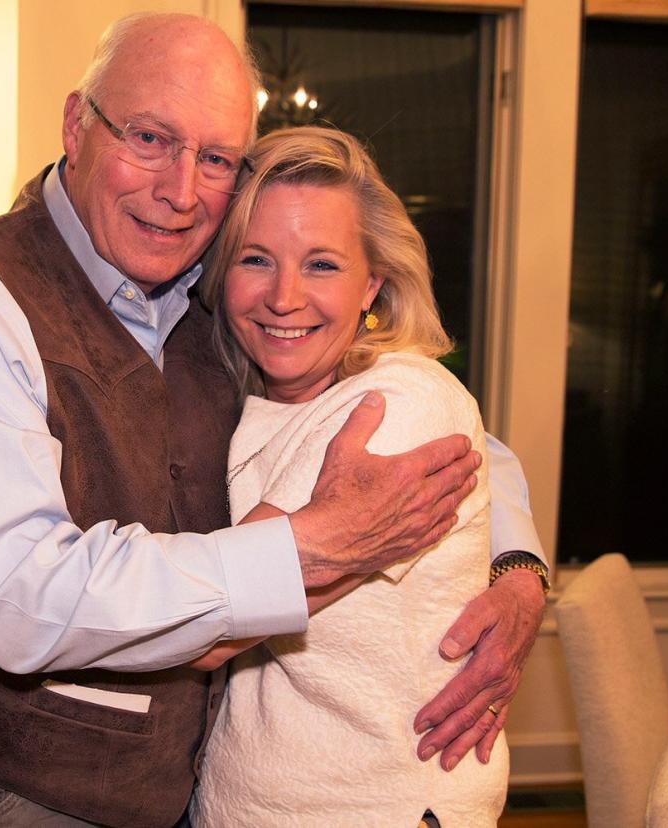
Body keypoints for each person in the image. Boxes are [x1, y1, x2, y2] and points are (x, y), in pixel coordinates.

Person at [0, 12, 546, 827]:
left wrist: (517, 570)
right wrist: (316, 542)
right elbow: (20, 596)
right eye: (149, 139)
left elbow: (455, 440)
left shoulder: (214, 298)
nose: (181, 191)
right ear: (77, 125)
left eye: (215, 159)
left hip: (187, 789)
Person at [185, 126, 506, 827]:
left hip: (374, 806)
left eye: (322, 265)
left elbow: (209, 626)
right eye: (256, 259)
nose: (284, 296)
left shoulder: (395, 403)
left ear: (374, 285)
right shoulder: (256, 400)